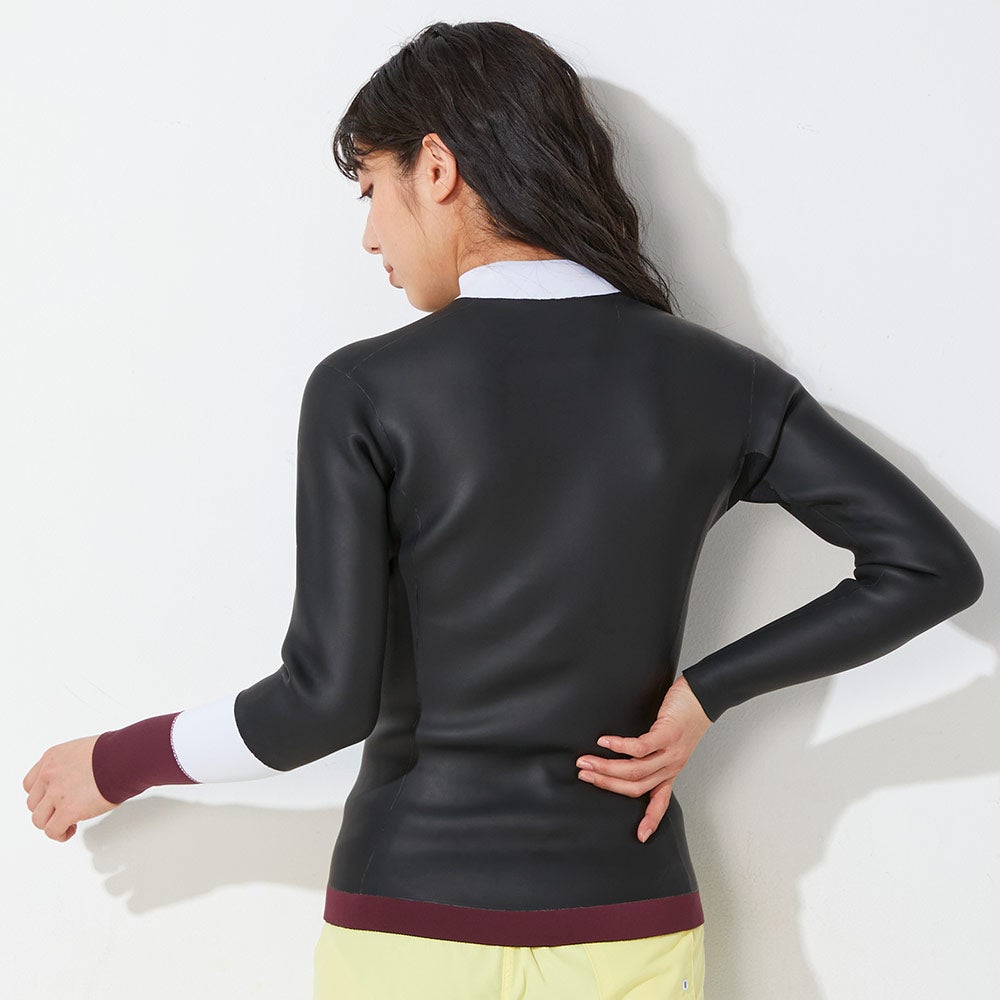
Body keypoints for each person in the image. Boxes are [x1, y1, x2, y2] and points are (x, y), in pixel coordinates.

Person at [22, 20, 984, 1000]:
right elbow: (930, 566)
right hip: (629, 922)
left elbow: (320, 704)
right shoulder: (717, 382)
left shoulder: (367, 390)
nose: (369, 235)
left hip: (409, 924)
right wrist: (706, 692)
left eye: (370, 188)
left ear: (436, 168)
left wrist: (116, 761)